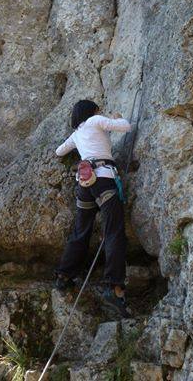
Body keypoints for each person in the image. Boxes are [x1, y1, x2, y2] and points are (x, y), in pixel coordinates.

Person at [55, 99, 132, 317]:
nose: (100, 111)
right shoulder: (96, 120)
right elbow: (126, 127)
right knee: (113, 231)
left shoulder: (77, 133)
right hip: (104, 179)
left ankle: (64, 276)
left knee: (81, 230)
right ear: (92, 111)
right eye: (98, 110)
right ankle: (114, 288)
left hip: (84, 184)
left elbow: (59, 151)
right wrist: (117, 119)